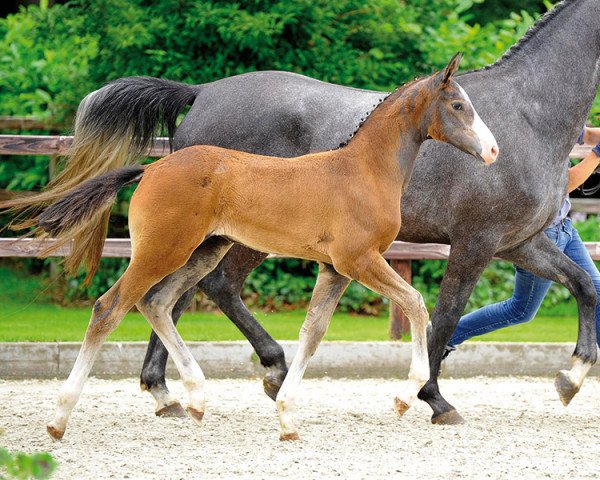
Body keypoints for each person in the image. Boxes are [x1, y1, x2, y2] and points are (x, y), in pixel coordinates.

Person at [446, 127, 600, 354]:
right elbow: (560, 188)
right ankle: (444, 335)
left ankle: (443, 335)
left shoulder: (558, 120)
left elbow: (586, 134)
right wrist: (597, 155)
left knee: (597, 292)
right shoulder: (532, 136)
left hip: (564, 229)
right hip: (540, 237)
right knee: (521, 310)